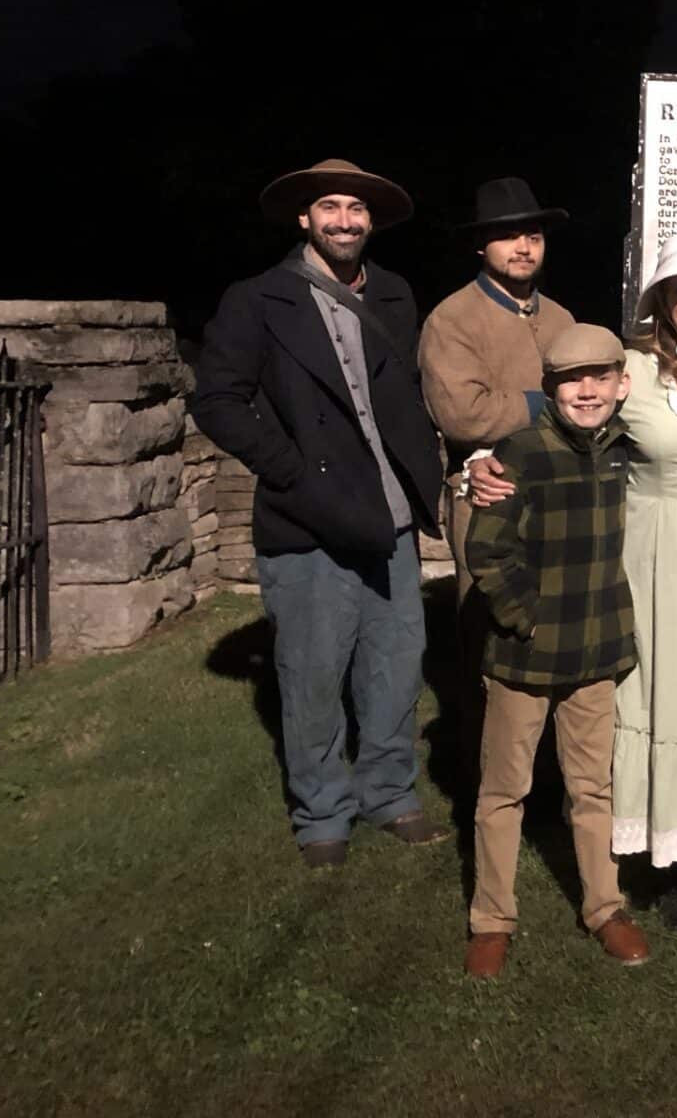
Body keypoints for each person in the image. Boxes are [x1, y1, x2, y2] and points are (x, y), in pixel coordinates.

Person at [469, 228, 677, 935]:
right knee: (664, 693)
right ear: (663, 304)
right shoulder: (633, 371)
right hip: (650, 552)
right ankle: (664, 866)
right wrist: (481, 463)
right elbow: (550, 407)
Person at [191, 158, 448, 867]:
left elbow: (407, 397)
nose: (344, 219)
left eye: (356, 210)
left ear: (370, 222)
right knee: (311, 673)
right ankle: (322, 813)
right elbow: (216, 400)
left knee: (396, 667)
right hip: (307, 519)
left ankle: (391, 794)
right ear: (304, 218)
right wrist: (290, 471)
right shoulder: (258, 299)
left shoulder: (393, 294)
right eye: (330, 207)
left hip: (390, 516)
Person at [460, 324, 654, 977]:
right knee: (504, 790)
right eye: (572, 380)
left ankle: (605, 906)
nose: (588, 390)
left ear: (623, 385)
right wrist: (525, 619)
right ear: (550, 389)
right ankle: (492, 918)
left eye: (601, 377)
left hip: (596, 651)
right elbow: (487, 550)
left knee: (593, 788)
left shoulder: (628, 452)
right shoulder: (519, 454)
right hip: (526, 653)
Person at [418, 176, 575, 642]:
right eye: (508, 236)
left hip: (558, 491)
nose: (523, 247)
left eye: (533, 236)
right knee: (489, 633)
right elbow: (464, 414)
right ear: (481, 244)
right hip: (487, 492)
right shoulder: (453, 319)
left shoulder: (562, 319)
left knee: (557, 627)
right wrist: (550, 403)